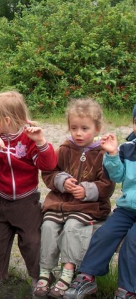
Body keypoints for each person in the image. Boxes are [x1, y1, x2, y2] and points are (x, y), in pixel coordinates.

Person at [0, 91, 58, 299]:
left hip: (26, 202)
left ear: (6, 119)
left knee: (32, 243)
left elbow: (48, 164)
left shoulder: (28, 140)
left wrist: (40, 141)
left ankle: (38, 287)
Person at [33, 98, 115, 299]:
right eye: (74, 128)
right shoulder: (64, 149)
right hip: (60, 203)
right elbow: (49, 172)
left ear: (97, 128)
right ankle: (45, 272)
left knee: (72, 228)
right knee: (49, 227)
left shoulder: (102, 154)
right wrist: (63, 181)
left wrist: (87, 190)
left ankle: (68, 272)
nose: (78, 133)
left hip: (87, 207)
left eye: (85, 128)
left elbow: (107, 185)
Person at [64, 105, 136, 299]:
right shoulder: (128, 148)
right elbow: (118, 175)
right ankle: (87, 278)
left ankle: (127, 290)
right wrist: (112, 154)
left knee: (132, 241)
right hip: (128, 209)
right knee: (105, 233)